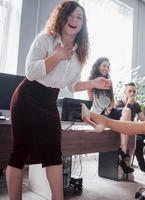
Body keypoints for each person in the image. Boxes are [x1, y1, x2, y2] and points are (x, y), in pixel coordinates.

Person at [5, 2, 111, 200]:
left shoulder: (80, 52)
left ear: (83, 24)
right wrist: (56, 56)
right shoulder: (45, 39)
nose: (74, 20)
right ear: (61, 17)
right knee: (20, 152)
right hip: (28, 97)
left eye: (79, 17)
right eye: (70, 15)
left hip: (49, 102)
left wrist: (93, 83)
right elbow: (30, 72)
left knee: (54, 153)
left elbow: (71, 85)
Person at [87, 57, 134, 174]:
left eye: (108, 66)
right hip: (98, 113)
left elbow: (112, 100)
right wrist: (99, 113)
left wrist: (110, 107)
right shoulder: (91, 81)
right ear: (98, 66)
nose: (106, 68)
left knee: (127, 111)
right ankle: (123, 158)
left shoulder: (109, 81)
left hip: (109, 112)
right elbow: (90, 102)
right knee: (125, 120)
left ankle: (123, 152)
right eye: (104, 65)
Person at [115, 82, 145, 176]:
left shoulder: (136, 105)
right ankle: (143, 166)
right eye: (130, 91)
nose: (132, 93)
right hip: (122, 130)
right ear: (125, 92)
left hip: (132, 129)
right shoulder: (119, 103)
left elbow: (143, 120)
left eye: (134, 91)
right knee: (138, 139)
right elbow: (119, 119)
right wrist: (128, 104)